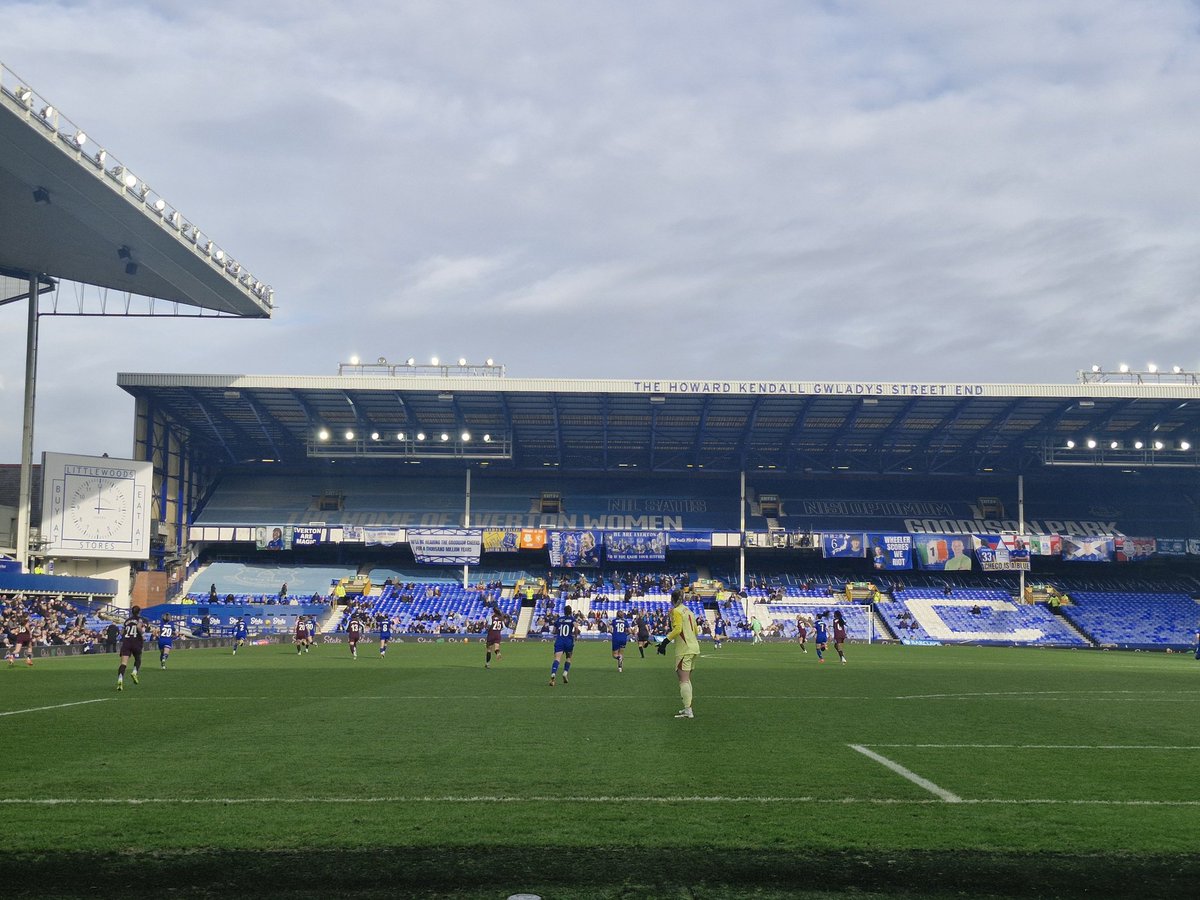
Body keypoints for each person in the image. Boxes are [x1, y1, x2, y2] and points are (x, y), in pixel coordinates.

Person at [657, 589, 701, 719]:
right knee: (687, 679)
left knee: (683, 680)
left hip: (684, 649)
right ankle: (688, 707)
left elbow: (678, 629)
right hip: (694, 647)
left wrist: (664, 642)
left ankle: (688, 710)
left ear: (673, 599)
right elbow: (696, 631)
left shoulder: (676, 611)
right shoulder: (689, 611)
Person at [116, 606, 146, 690]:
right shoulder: (139, 619)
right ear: (139, 612)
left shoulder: (126, 621)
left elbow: (122, 632)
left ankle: (120, 679)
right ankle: (134, 672)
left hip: (126, 642)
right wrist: (143, 635)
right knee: (138, 659)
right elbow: (139, 627)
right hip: (136, 642)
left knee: (123, 663)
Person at [548, 605, 578, 686]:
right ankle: (565, 673)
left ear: (564, 611)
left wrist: (557, 631)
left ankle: (553, 675)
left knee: (557, 658)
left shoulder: (559, 619)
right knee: (568, 657)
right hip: (568, 641)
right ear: (571, 611)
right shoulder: (572, 619)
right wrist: (575, 637)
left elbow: (554, 631)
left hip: (559, 641)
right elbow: (576, 628)